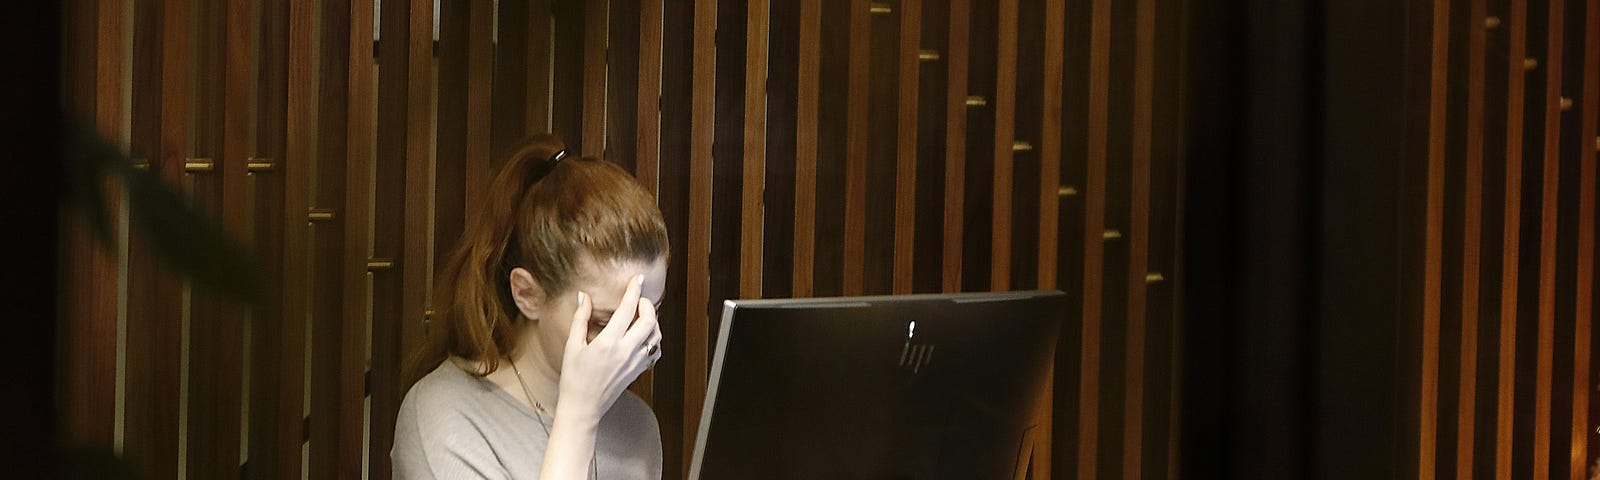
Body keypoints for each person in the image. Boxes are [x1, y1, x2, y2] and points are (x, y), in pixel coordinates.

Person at [393, 134, 668, 480]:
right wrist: (580, 416)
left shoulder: (636, 425)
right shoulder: (443, 415)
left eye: (647, 316)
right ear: (527, 294)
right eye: (604, 321)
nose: (635, 345)